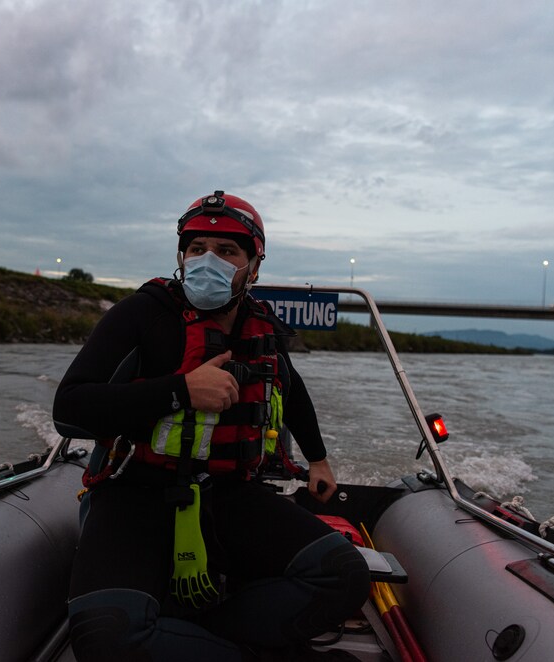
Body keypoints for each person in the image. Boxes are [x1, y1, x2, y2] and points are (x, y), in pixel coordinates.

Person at [53, 191, 369, 661]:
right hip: (135, 494)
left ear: (253, 267)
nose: (208, 260)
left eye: (227, 251)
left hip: (227, 493)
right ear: (181, 256)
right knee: (106, 636)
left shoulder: (262, 326)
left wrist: (318, 458)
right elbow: (68, 409)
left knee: (344, 574)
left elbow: (292, 389)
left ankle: (202, 632)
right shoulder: (142, 314)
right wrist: (179, 390)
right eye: (197, 248)